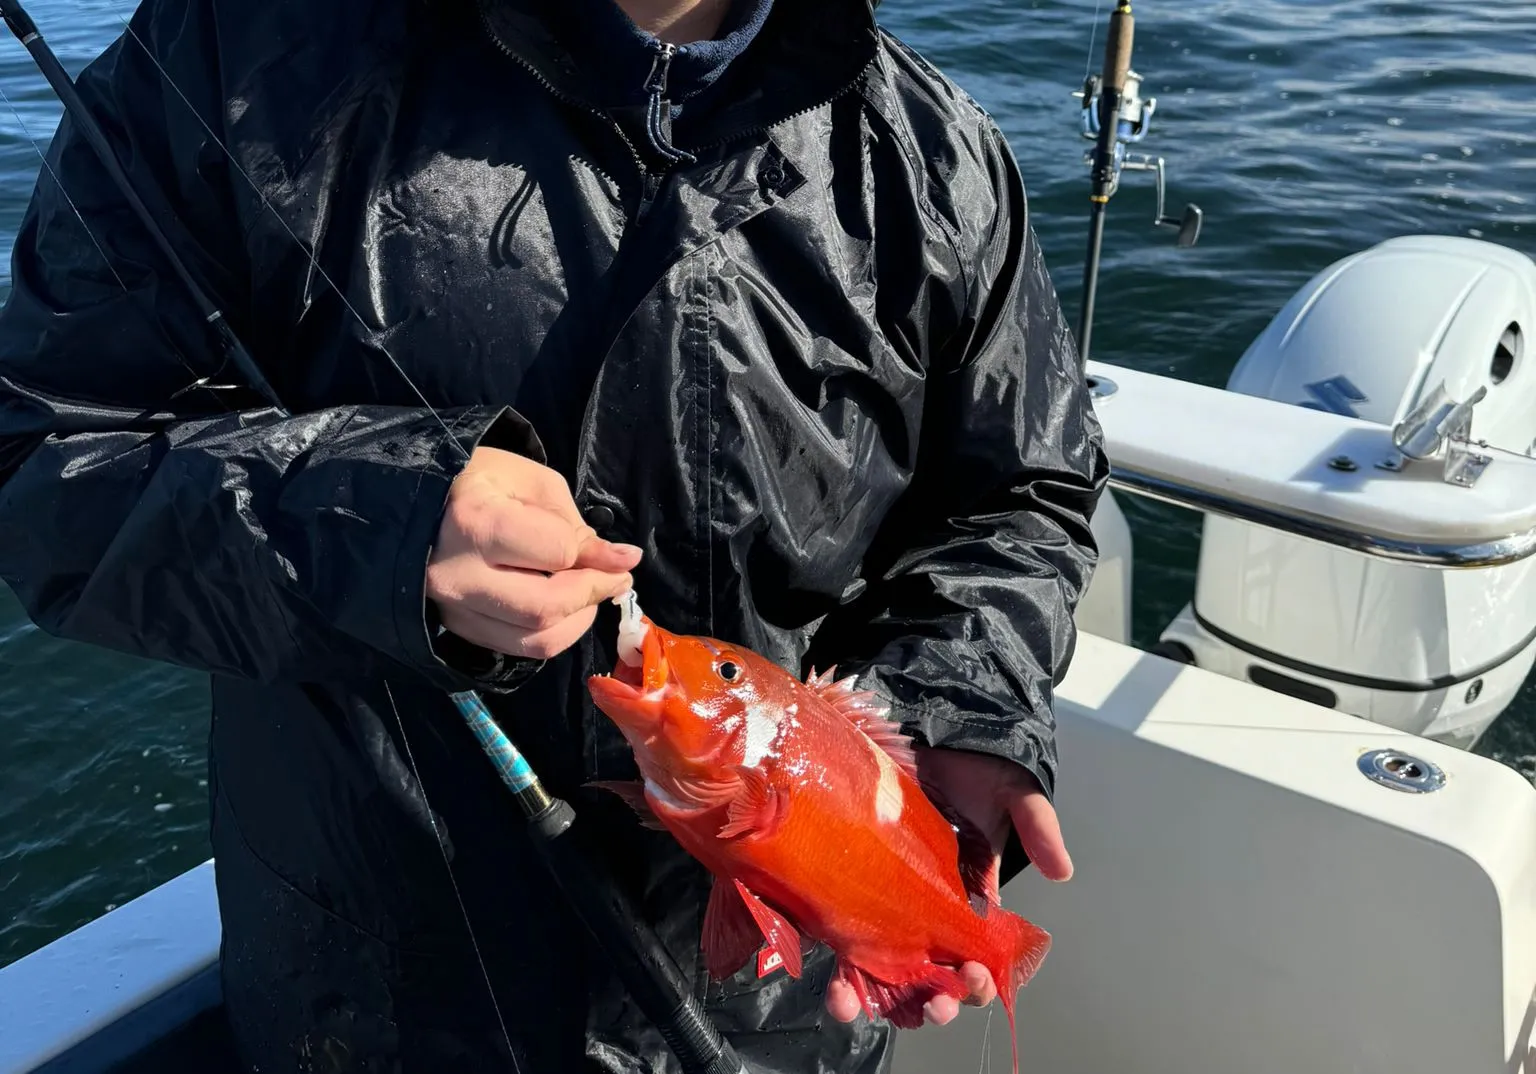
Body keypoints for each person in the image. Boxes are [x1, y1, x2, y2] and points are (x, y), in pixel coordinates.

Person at [0, 0, 1108, 1068]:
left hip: (788, 1012)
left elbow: (1020, 493)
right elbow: (50, 469)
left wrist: (956, 704)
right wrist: (379, 523)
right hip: (378, 1004)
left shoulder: (932, 155)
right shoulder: (231, 51)